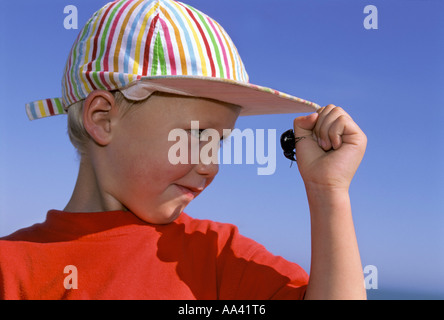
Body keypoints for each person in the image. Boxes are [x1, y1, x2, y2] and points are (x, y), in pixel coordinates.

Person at [0, 0, 367, 300]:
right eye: (195, 135)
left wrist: (328, 192)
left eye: (219, 142)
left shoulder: (218, 255)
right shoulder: (12, 268)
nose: (211, 166)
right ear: (102, 119)